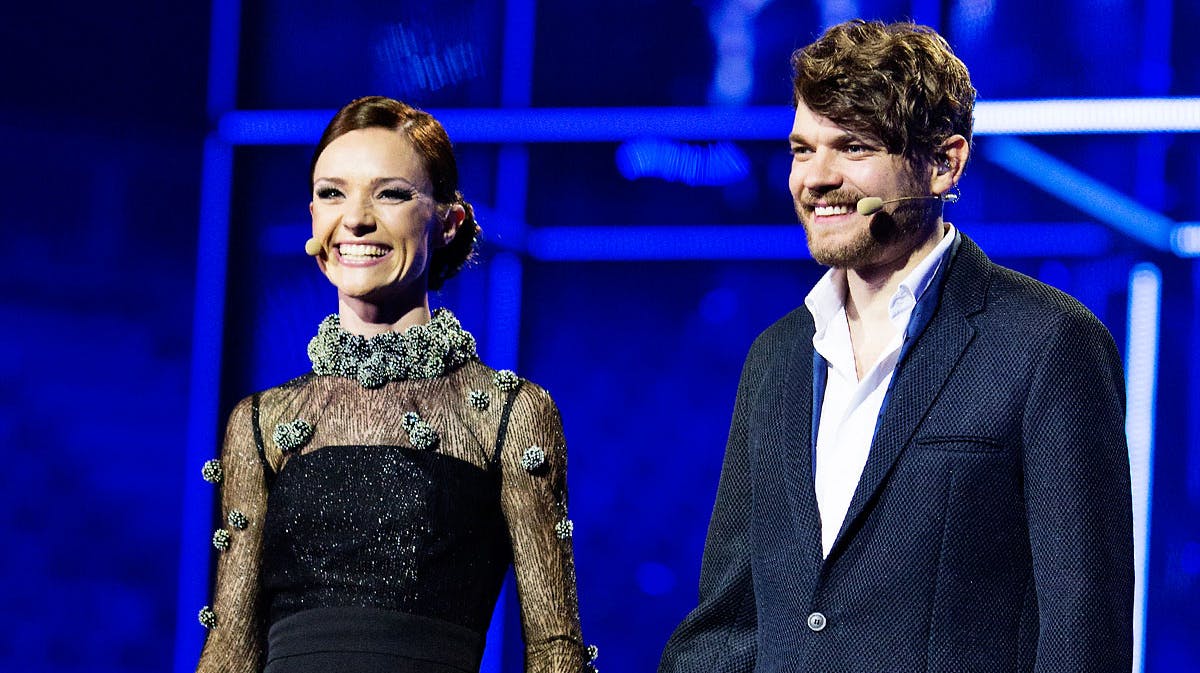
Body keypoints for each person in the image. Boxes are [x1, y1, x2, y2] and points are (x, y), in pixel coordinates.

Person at [660, 19, 1133, 673]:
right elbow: (728, 626)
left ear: (944, 162)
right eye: (803, 149)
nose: (814, 178)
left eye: (851, 147)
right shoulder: (778, 356)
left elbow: (1084, 639)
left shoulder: (1049, 344)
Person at [194, 96, 597, 673]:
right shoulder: (261, 422)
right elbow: (230, 647)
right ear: (312, 218)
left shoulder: (507, 416)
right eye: (333, 193)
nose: (354, 218)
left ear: (448, 220)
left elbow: (556, 649)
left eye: (390, 193)